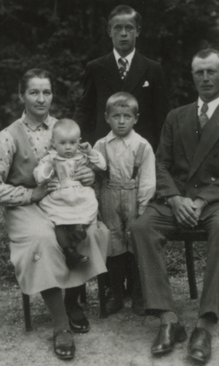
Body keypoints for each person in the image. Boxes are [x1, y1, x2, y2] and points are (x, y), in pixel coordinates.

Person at [130, 49, 219, 364]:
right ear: (193, 76)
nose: (206, 78)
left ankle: (205, 323)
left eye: (212, 71)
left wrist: (201, 200)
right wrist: (174, 198)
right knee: (142, 227)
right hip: (179, 199)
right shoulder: (177, 116)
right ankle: (168, 318)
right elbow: (160, 164)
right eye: (199, 72)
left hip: (218, 200)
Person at [0, 69, 109, 360]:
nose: (41, 99)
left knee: (88, 231)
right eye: (34, 92)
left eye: (46, 92)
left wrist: (88, 174)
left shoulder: (64, 130)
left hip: (65, 200)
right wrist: (30, 194)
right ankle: (61, 323)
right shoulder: (7, 137)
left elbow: (85, 162)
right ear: (21, 96)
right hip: (27, 206)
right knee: (44, 238)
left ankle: (73, 300)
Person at [73, 4, 170, 150]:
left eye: (129, 28)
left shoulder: (153, 69)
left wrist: (161, 155)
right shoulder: (95, 68)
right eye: (117, 28)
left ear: (137, 31)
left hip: (141, 149)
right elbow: (86, 109)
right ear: (109, 31)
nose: (123, 33)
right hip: (104, 149)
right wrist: (71, 136)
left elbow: (161, 116)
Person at [93, 92, 155, 315]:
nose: (121, 121)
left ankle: (138, 293)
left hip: (133, 196)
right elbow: (95, 178)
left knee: (135, 241)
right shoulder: (100, 146)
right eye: (116, 116)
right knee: (113, 242)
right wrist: (96, 204)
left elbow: (148, 179)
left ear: (135, 118)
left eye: (126, 116)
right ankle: (116, 293)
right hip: (109, 195)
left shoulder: (142, 146)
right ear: (107, 117)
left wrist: (143, 206)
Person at [33, 119, 106, 269]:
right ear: (53, 143)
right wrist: (49, 167)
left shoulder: (81, 156)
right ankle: (69, 251)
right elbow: (39, 177)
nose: (68, 148)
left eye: (72, 143)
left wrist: (90, 151)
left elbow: (102, 165)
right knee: (58, 220)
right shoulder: (50, 158)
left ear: (79, 142)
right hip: (59, 197)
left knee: (86, 206)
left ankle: (78, 228)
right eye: (63, 143)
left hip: (79, 195)